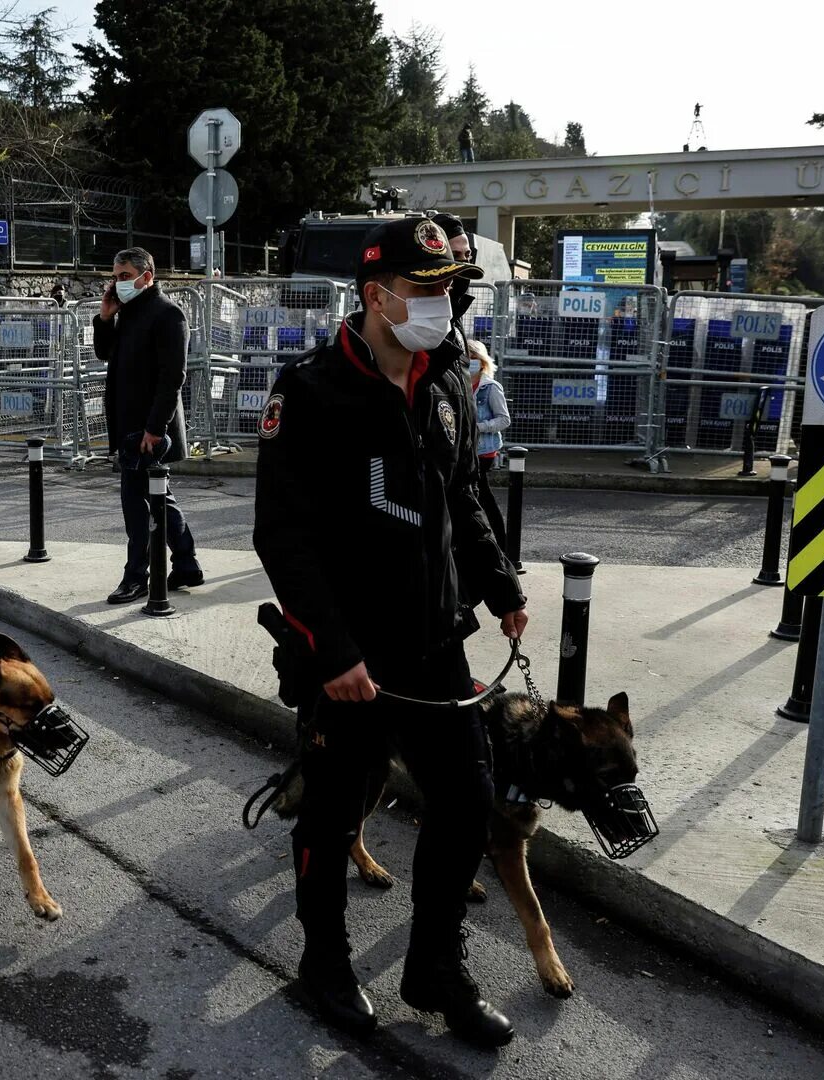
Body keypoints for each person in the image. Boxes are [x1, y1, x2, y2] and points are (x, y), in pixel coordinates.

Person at [254, 217, 528, 1047]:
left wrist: (502, 584)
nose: (443, 304)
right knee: (335, 814)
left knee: (469, 798)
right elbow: (283, 535)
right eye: (425, 288)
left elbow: (465, 501)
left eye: (450, 287)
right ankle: (325, 962)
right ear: (376, 295)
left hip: (434, 643)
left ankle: (434, 967)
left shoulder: (446, 381)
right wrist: (332, 650)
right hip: (348, 659)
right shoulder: (308, 390)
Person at [93, 247, 203, 604]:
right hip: (129, 426)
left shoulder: (168, 314)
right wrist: (105, 318)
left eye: (124, 276)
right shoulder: (129, 313)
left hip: (149, 428)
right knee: (158, 498)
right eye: (115, 276)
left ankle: (136, 576)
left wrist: (156, 428)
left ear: (147, 276)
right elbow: (104, 353)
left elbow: (173, 377)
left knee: (135, 502)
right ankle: (186, 564)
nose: (117, 283)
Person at [467, 339, 511, 550]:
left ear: (482, 361)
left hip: (484, 451)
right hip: (466, 449)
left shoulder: (490, 388)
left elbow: (504, 419)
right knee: (477, 494)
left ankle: (499, 544)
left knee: (481, 494)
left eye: (473, 357)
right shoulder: (460, 383)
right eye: (466, 357)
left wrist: (479, 427)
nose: (469, 361)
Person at [433, 212, 477, 346]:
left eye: (467, 255)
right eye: (455, 256)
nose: (463, 264)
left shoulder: (456, 312)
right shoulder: (426, 317)